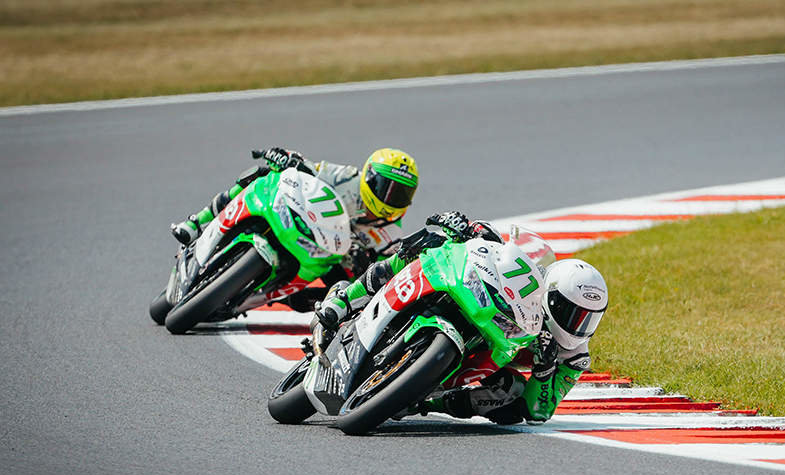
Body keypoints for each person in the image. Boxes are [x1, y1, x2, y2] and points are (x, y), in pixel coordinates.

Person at [313, 211, 608, 425]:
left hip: (488, 359)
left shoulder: (574, 357)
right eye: (573, 314)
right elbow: (504, 258)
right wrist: (469, 228)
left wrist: (543, 369)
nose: (578, 327)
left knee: (511, 399)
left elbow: (539, 411)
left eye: (587, 319)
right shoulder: (535, 287)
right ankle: (344, 300)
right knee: (424, 247)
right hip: (487, 316)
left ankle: (424, 401)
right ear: (551, 298)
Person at [170, 146, 419, 310]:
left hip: (329, 259)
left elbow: (381, 272)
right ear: (369, 178)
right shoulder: (345, 177)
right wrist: (287, 158)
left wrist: (361, 263)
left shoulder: (391, 234)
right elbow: (308, 169)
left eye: (401, 193)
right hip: (304, 225)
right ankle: (196, 223)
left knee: (337, 296)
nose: (391, 198)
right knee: (261, 174)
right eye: (386, 187)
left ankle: (283, 297)